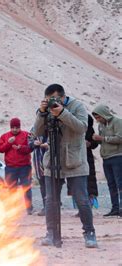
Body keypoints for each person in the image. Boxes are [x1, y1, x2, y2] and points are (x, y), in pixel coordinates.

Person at [33, 83, 97, 248]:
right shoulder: (45, 110)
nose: (51, 102)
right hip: (52, 159)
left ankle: (89, 233)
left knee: (82, 199)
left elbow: (82, 127)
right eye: (48, 99)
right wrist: (41, 113)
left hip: (74, 160)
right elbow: (38, 132)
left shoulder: (77, 106)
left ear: (62, 97)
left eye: (54, 99)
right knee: (50, 200)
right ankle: (51, 233)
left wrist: (62, 112)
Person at [0, 118, 34, 214]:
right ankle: (12, 208)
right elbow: (0, 149)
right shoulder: (5, 136)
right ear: (10, 127)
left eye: (16, 127)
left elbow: (30, 148)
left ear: (20, 127)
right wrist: (8, 143)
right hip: (10, 167)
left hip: (25, 167)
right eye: (12, 127)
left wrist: (20, 148)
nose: (14, 129)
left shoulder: (26, 135)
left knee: (26, 187)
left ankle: (29, 208)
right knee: (11, 189)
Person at [92, 104, 122, 217]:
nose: (98, 120)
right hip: (106, 158)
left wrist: (102, 139)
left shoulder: (118, 122)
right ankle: (115, 208)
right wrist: (95, 141)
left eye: (99, 117)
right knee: (111, 184)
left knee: (120, 184)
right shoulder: (101, 126)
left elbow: (120, 138)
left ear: (104, 114)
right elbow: (103, 141)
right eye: (96, 118)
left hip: (118, 157)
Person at [31, 133, 48, 216]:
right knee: (43, 185)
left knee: (52, 185)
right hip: (38, 161)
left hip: (50, 161)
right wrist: (33, 143)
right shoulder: (34, 129)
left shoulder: (50, 127)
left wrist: (47, 144)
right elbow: (28, 143)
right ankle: (46, 207)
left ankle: (53, 207)